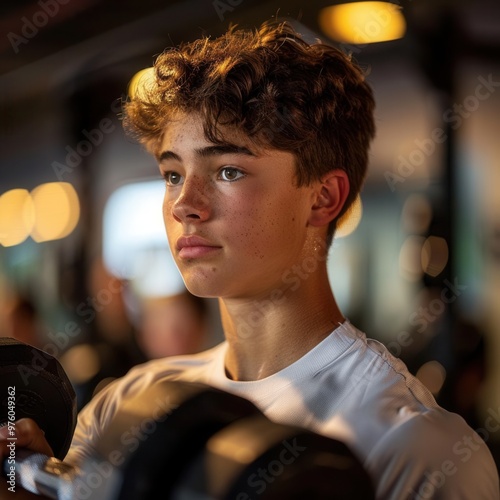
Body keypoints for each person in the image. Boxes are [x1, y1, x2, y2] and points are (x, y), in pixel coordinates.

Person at [1, 20, 499, 499]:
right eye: (173, 175)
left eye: (228, 172)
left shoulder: (418, 450)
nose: (183, 204)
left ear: (323, 198)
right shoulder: (127, 405)